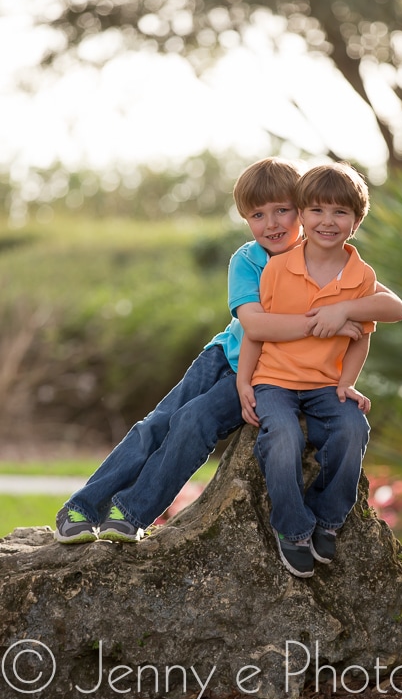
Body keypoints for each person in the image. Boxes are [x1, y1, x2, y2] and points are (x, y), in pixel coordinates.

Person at [53, 157, 375, 545]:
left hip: (265, 374)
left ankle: (130, 512)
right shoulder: (247, 260)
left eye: (282, 211)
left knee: (193, 422)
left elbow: (384, 299)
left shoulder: (322, 257)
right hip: (223, 357)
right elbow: (255, 325)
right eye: (258, 214)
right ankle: (82, 507)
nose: (271, 224)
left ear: (303, 211)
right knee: (157, 424)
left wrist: (345, 310)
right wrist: (328, 321)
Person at [236, 161, 402, 579]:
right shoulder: (278, 267)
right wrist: (244, 381)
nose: (327, 221)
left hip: (327, 385)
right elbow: (257, 332)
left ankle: (328, 518)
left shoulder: (361, 277)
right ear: (302, 214)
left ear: (356, 221)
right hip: (274, 380)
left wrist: (347, 382)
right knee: (284, 438)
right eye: (317, 211)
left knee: (353, 429)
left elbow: (363, 334)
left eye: (340, 213)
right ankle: (293, 528)